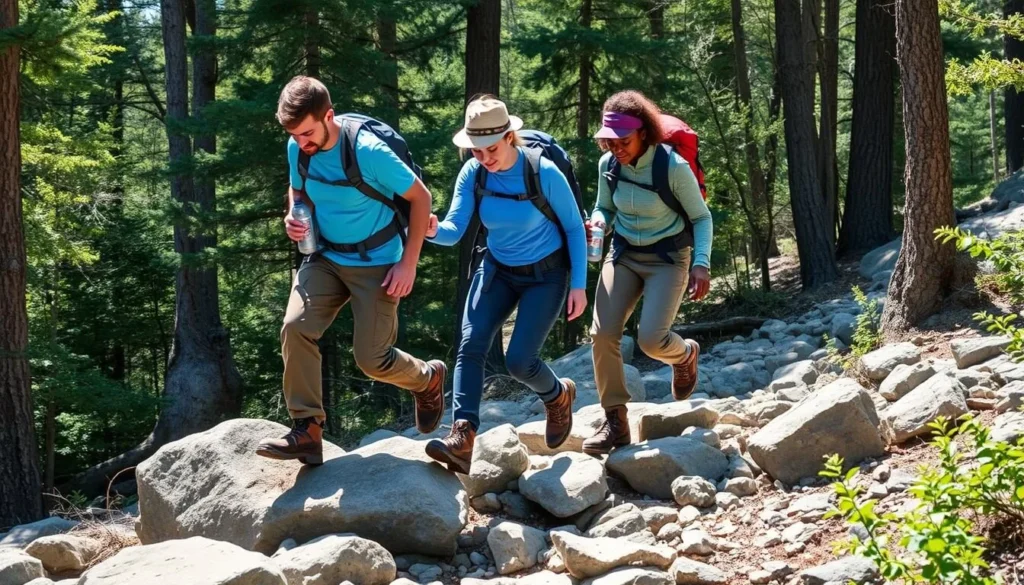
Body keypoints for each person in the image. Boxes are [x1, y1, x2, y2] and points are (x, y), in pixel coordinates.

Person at [256, 76, 447, 466]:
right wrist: (292, 213)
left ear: (329, 117)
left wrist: (408, 263)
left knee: (372, 359)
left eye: (307, 133)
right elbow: (298, 189)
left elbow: (421, 197)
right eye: (294, 135)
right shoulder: (298, 146)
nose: (301, 142)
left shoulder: (369, 152)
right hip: (325, 256)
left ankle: (428, 379)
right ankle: (307, 430)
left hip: (377, 262)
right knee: (295, 327)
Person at [423, 95, 588, 474]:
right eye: (476, 150)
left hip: (546, 275)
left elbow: (574, 229)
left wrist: (578, 285)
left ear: (509, 137)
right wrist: (432, 229)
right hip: (498, 269)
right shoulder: (474, 173)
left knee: (519, 362)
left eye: (491, 149)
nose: (484, 158)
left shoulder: (543, 172)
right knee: (470, 344)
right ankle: (463, 435)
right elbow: (454, 230)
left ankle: (558, 396)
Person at [582, 90, 713, 455]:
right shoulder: (608, 165)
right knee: (602, 333)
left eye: (623, 141)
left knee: (651, 341)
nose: (616, 149)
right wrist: (598, 222)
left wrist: (701, 262)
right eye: (610, 142)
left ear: (643, 133)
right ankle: (615, 422)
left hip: (668, 258)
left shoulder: (672, 167)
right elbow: (604, 206)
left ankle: (684, 355)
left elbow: (701, 217)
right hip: (624, 254)